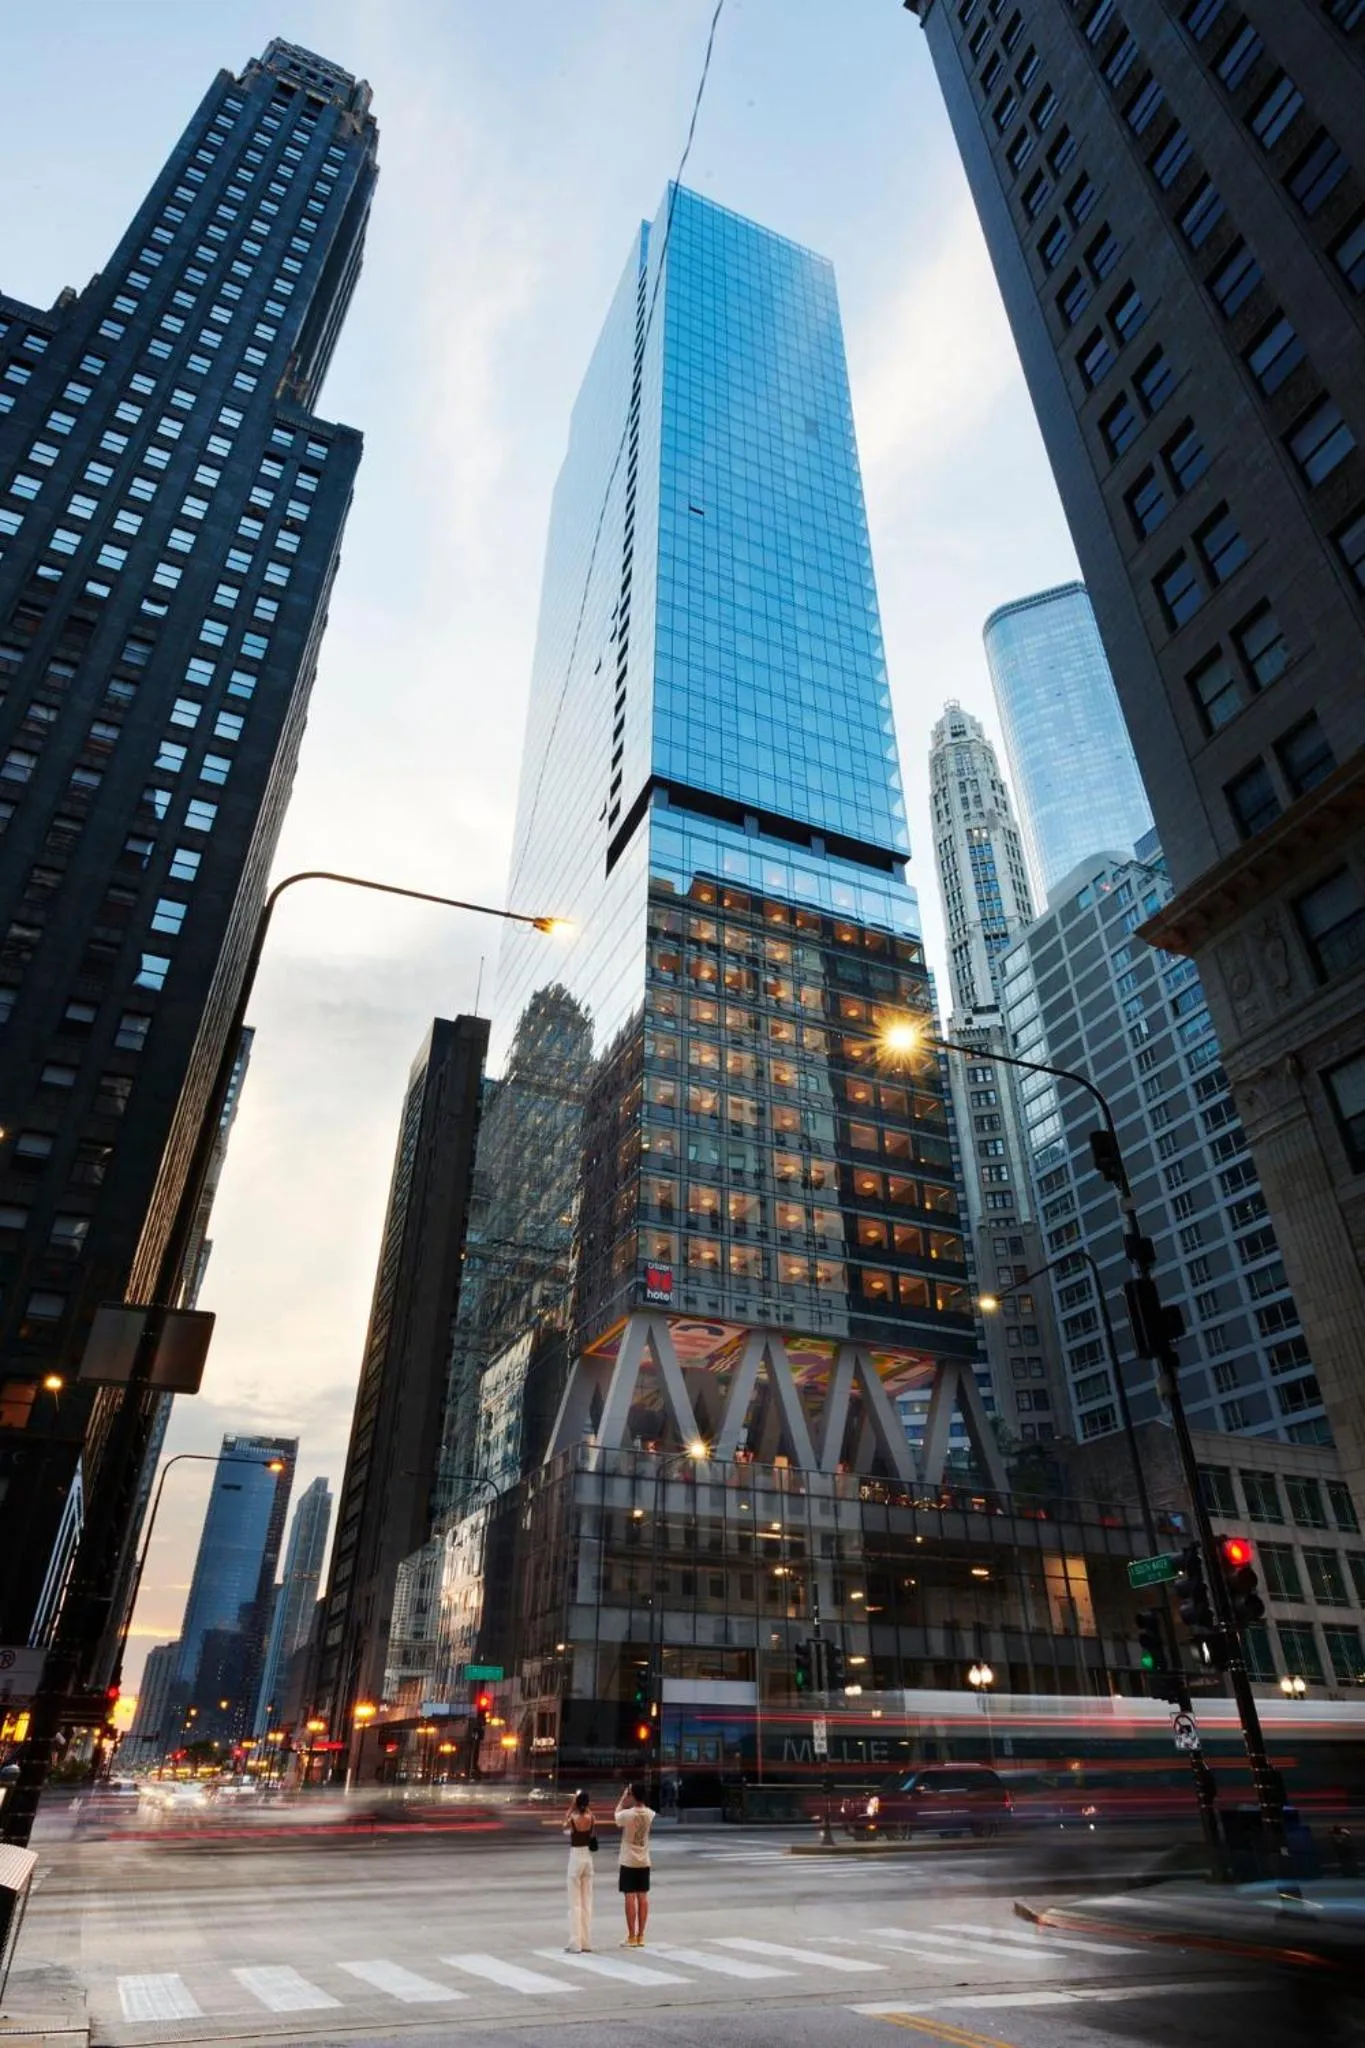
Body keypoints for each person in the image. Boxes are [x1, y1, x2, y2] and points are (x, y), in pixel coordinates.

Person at [614, 1780, 655, 1946]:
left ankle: (631, 1936)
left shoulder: (627, 1814)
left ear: (632, 1796)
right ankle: (641, 1935)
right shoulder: (650, 1814)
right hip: (644, 1860)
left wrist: (622, 1799)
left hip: (628, 1860)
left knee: (629, 1897)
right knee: (643, 1897)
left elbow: (616, 1816)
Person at [564, 1788, 597, 1952]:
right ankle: (586, 1942)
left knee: (574, 1902)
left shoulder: (573, 1818)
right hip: (588, 1858)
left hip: (576, 1857)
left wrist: (571, 1807)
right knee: (587, 1901)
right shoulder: (592, 1818)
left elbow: (564, 1828)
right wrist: (584, 1805)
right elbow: (592, 1832)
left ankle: (575, 1943)